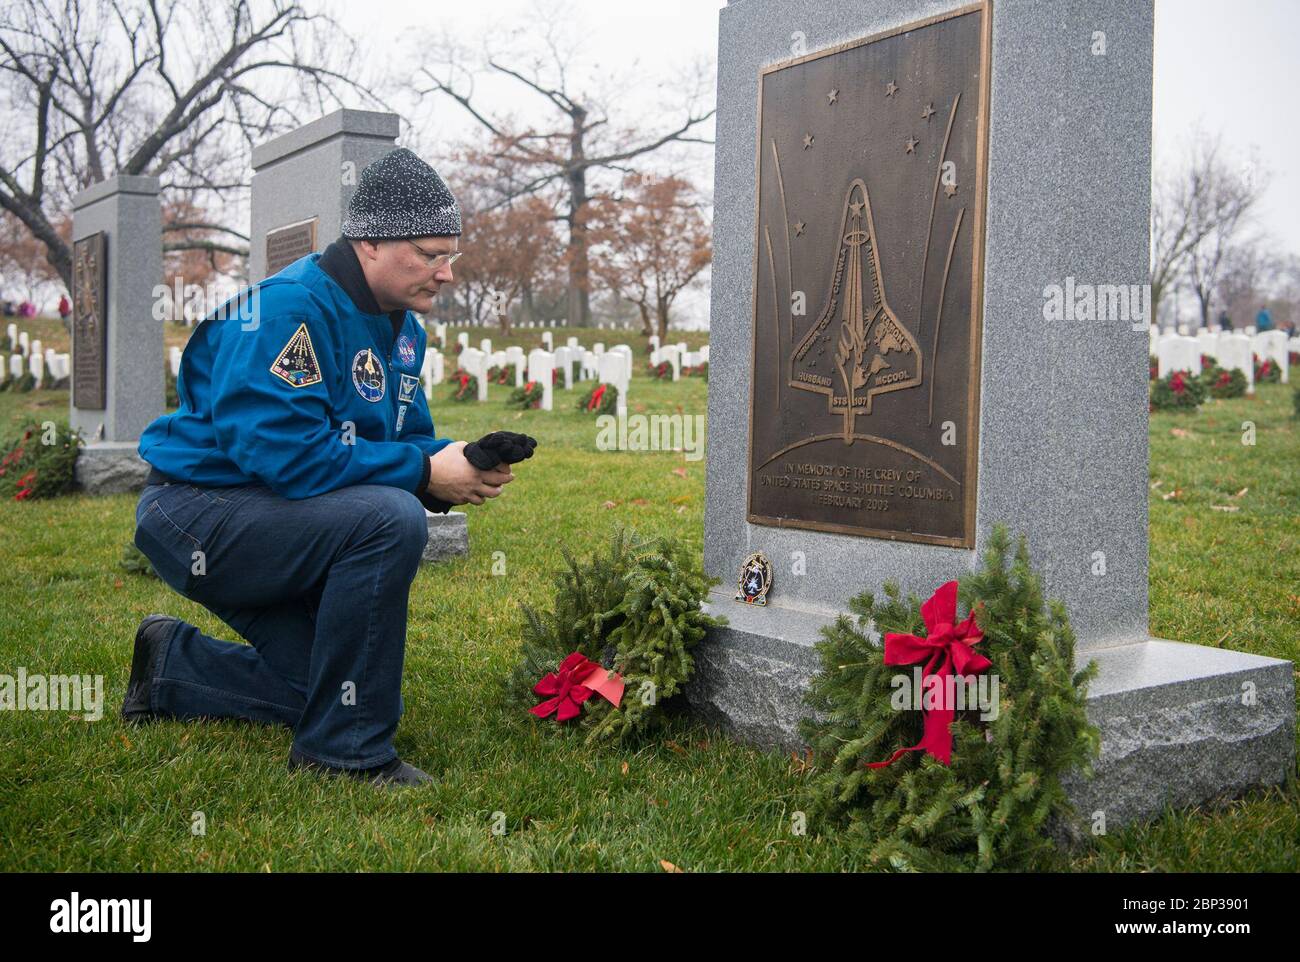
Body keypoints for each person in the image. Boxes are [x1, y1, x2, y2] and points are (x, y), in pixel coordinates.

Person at [124, 148, 527, 787]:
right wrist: (421, 476)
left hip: (280, 512)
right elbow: (288, 456)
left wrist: (458, 461)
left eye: (451, 254)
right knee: (388, 519)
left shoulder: (401, 329)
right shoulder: (288, 311)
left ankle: (170, 663)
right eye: (429, 253)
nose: (446, 273)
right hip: (200, 511)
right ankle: (345, 754)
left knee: (348, 691)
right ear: (369, 243)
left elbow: (404, 438)